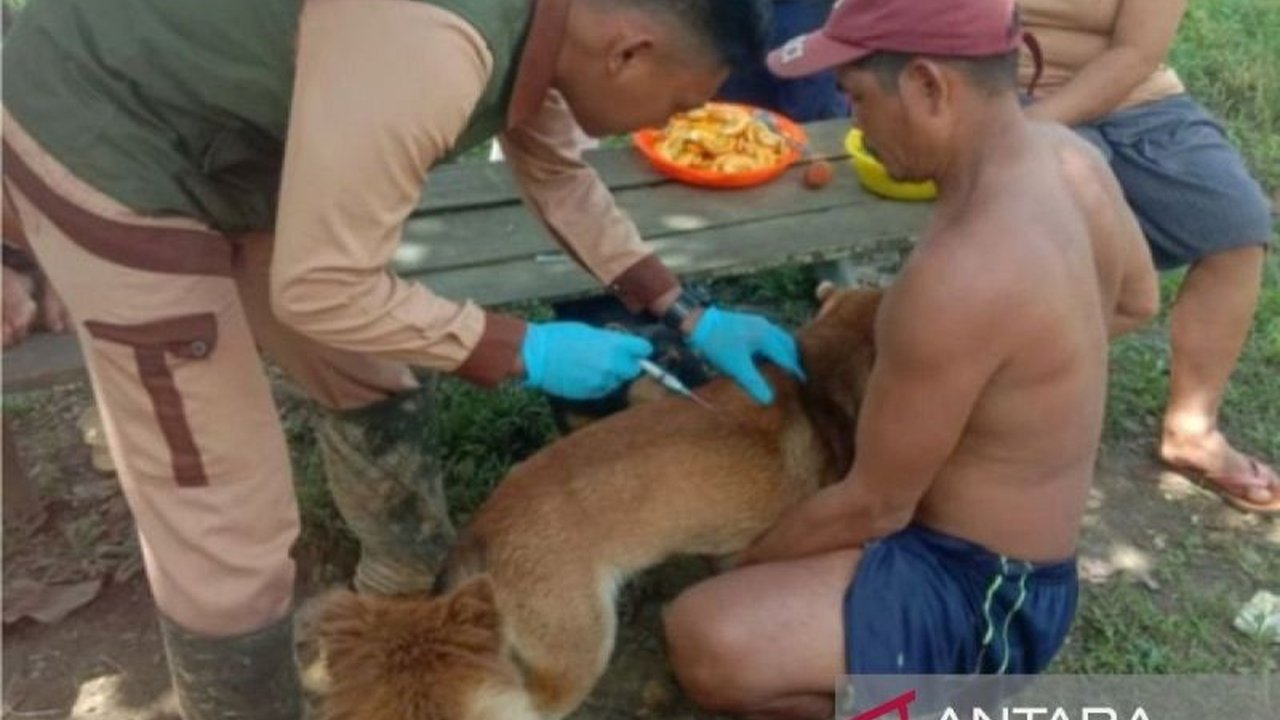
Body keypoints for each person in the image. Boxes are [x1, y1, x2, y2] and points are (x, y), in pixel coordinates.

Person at [1, 1, 800, 717]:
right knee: (226, 521)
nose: (665, 120)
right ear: (629, 50)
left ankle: (400, 585)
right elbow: (321, 286)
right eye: (681, 102)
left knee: (369, 373)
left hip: (230, 140)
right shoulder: (433, 48)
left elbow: (557, 173)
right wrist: (520, 346)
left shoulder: (551, 29)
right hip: (107, 138)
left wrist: (680, 307)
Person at [660, 0, 1159, 716]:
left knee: (705, 631)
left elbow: (877, 504)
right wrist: (1019, 382)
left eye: (857, 96)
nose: (853, 121)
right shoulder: (1072, 160)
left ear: (928, 85)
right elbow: (1138, 301)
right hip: (1027, 570)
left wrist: (746, 564)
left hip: (981, 595)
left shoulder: (958, 275)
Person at [1019, 0, 1277, 514]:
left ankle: (1192, 429)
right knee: (1062, 236)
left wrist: (1038, 124)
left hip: (1138, 102)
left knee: (1236, 223)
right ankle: (1007, 395)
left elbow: (1134, 54)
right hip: (1006, 94)